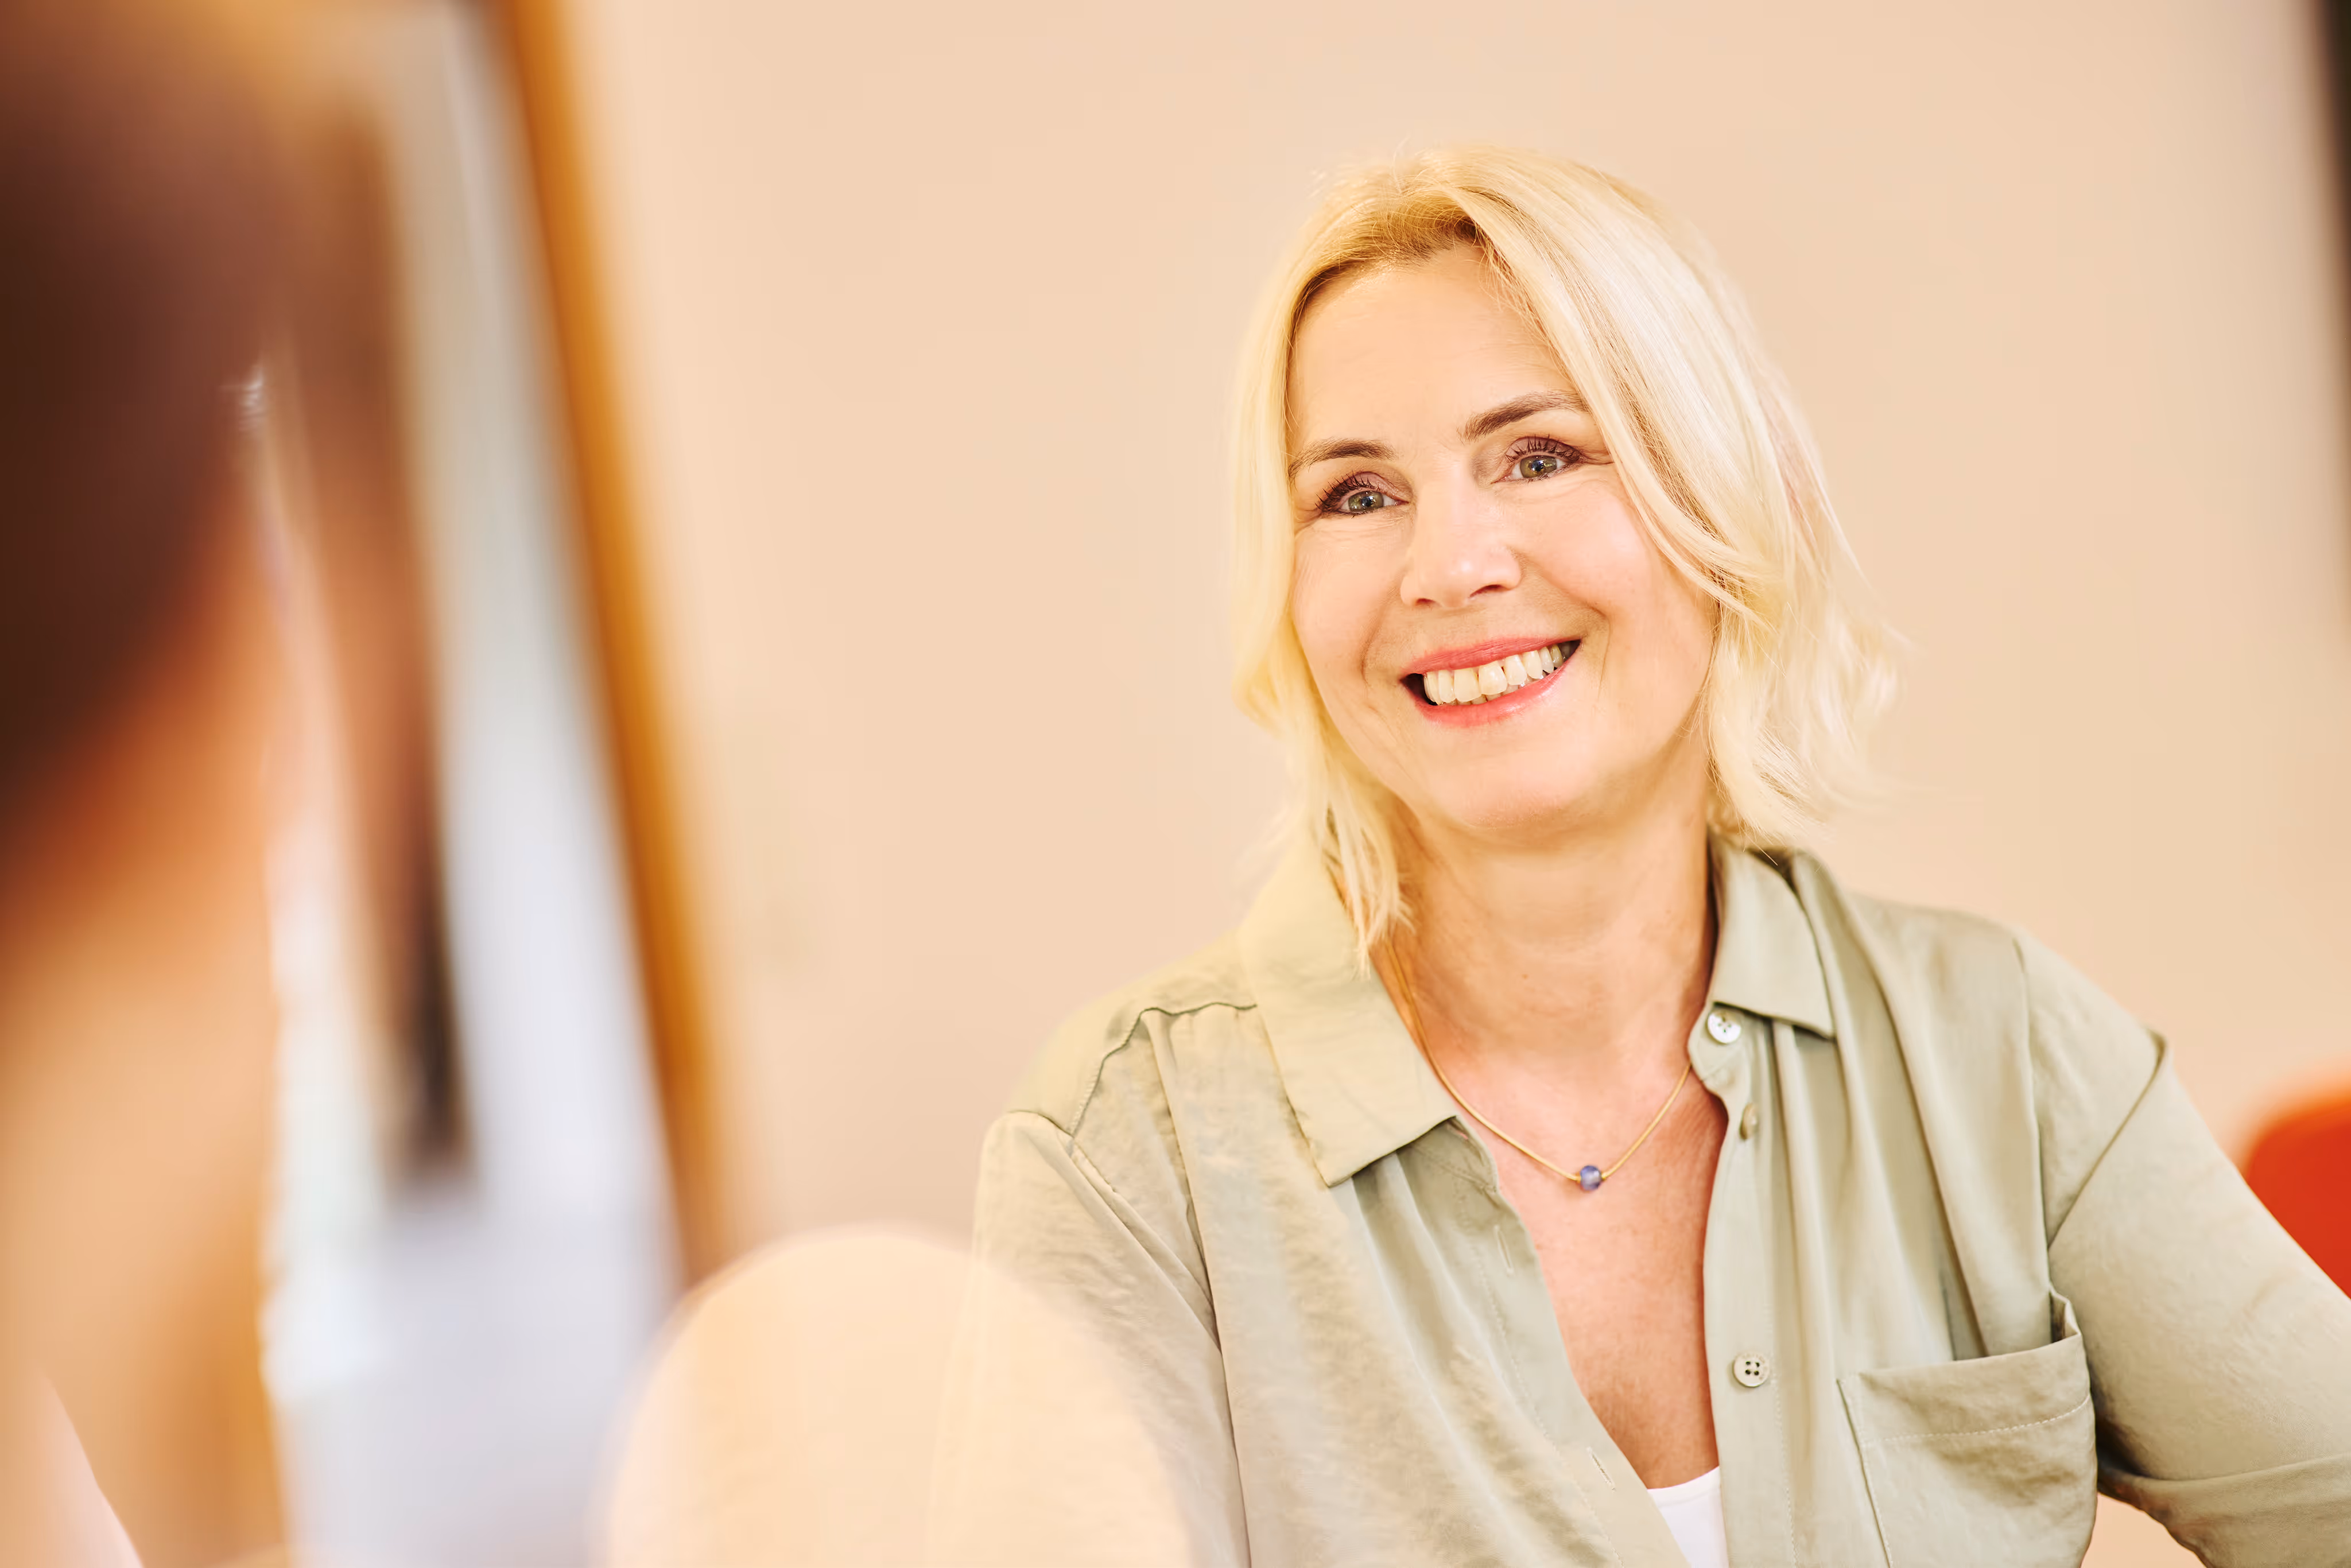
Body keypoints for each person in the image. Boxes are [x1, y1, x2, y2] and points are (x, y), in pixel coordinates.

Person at [963, 147, 2351, 1567]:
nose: (1448, 564)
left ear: (1721, 513)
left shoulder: (2003, 1058)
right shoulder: (1127, 1156)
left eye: (1540, 456)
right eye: (1356, 495)